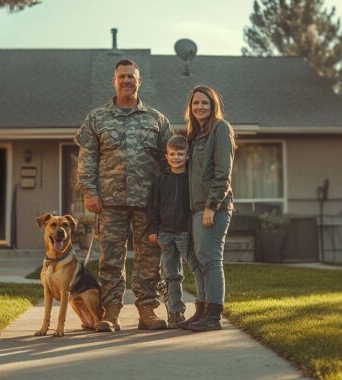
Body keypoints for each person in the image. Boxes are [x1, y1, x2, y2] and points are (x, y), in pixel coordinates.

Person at [74, 59, 173, 332]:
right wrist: (90, 193)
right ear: (114, 82)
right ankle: (112, 311)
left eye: (131, 76)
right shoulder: (97, 118)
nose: (127, 81)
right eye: (122, 77)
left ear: (139, 81)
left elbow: (169, 164)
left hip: (147, 203)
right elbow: (87, 159)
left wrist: (166, 201)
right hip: (109, 202)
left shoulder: (157, 119)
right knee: (111, 260)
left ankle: (147, 310)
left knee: (149, 258)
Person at [178, 85, 235, 332]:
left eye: (205, 102)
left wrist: (212, 206)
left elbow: (223, 173)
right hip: (196, 209)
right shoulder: (196, 134)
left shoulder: (220, 129)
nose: (199, 106)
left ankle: (213, 317)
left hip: (214, 208)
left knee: (210, 260)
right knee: (198, 260)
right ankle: (201, 312)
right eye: (195, 103)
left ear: (213, 106)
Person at [146, 135, 190, 329]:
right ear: (166, 156)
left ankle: (204, 307)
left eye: (180, 154)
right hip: (165, 233)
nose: (176, 157)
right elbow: (152, 208)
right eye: (173, 154)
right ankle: (175, 312)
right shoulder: (160, 180)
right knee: (171, 275)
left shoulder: (191, 180)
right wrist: (154, 229)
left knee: (198, 270)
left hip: (185, 233)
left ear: (187, 156)